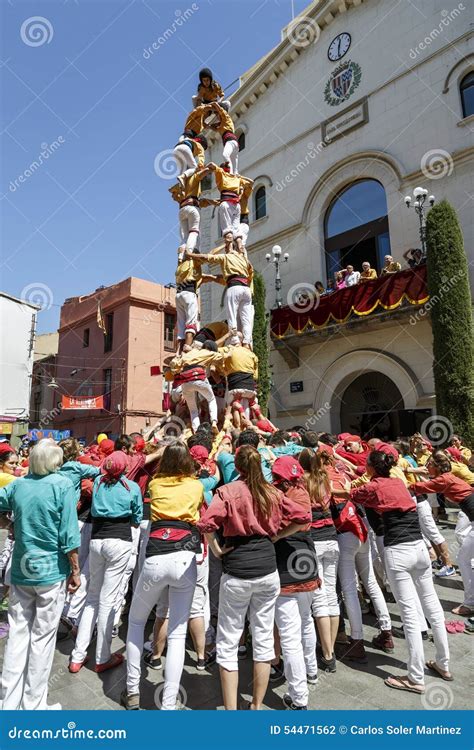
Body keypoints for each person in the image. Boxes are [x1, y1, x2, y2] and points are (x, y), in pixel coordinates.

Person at [197, 445, 311, 710]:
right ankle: (257, 706)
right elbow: (303, 516)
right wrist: (278, 535)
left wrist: (216, 550)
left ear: (237, 467)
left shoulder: (227, 491)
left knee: (228, 640)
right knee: (263, 639)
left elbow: (205, 524)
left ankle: (231, 710)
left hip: (236, 569)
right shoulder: (271, 492)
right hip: (267, 569)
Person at [352, 450, 451, 693]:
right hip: (419, 548)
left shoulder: (373, 486)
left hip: (399, 552)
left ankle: (415, 678)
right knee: (432, 606)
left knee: (409, 615)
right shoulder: (398, 482)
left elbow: (350, 494)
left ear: (372, 468)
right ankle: (443, 663)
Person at [122, 444, 204, 710]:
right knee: (178, 634)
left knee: (135, 622)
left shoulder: (156, 483)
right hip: (184, 559)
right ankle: (168, 703)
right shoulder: (195, 486)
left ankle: (132, 689)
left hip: (156, 555)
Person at [0, 439, 80, 710]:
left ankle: (7, 705)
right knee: (41, 641)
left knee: (17, 637)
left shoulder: (18, 485)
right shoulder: (62, 485)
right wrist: (76, 570)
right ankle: (33, 707)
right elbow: (69, 533)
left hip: (22, 570)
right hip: (50, 571)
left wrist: (11, 524)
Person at [69, 451, 142, 674]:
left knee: (92, 598)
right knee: (108, 601)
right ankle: (102, 657)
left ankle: (77, 656)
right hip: (119, 541)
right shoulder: (132, 487)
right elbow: (137, 518)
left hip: (97, 541)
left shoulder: (98, 482)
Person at [271, 456, 318, 710]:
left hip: (286, 565)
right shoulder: (302, 490)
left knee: (289, 635)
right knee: (306, 621)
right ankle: (311, 670)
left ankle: (298, 697)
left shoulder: (277, 495)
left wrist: (278, 535)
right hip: (307, 562)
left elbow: (298, 521)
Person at [410, 451, 474, 617]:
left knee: (463, 559)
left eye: (429, 464)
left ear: (436, 466)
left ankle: (469, 604)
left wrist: (399, 483)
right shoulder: (445, 478)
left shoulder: (443, 479)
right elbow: (431, 483)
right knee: (464, 557)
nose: (426, 467)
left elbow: (419, 487)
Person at [299, 448, 339, 673]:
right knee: (331, 596)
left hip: (314, 541)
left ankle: (327, 653)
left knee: (319, 600)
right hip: (332, 539)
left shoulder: (302, 482)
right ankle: (330, 650)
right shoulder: (324, 478)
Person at [187, 241, 254, 347]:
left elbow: (207, 257)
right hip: (246, 289)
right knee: (246, 319)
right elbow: (251, 271)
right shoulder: (244, 259)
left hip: (234, 287)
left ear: (229, 249)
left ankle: (235, 341)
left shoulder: (226, 257)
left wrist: (190, 255)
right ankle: (247, 342)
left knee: (232, 316)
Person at [208, 102, 239, 173]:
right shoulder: (222, 124)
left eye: (216, 113)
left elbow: (220, 110)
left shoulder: (226, 116)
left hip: (230, 141)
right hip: (233, 142)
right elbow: (212, 127)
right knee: (234, 164)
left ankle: (230, 174)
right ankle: (234, 174)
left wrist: (212, 105)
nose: (216, 116)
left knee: (225, 155)